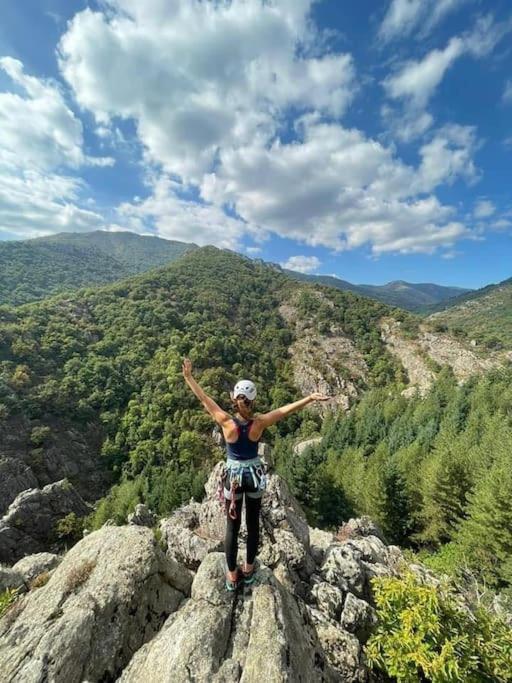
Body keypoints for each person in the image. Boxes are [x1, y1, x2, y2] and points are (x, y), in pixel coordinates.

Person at [182, 357, 330, 590]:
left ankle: (232, 576)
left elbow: (204, 398)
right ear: (253, 400)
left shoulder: (225, 422)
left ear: (234, 399)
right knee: (252, 525)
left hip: (233, 478)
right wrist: (310, 398)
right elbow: (284, 410)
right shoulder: (259, 423)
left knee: (232, 528)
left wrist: (189, 377)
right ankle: (249, 570)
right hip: (254, 476)